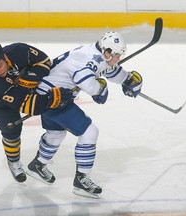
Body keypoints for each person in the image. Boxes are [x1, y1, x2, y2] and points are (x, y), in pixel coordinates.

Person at [26, 32, 143, 198]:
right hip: (54, 100)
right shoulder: (91, 58)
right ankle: (81, 181)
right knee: (89, 132)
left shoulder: (96, 53)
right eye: (117, 55)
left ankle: (38, 164)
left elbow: (107, 69)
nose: (118, 58)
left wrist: (127, 79)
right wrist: (100, 89)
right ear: (107, 52)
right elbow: (85, 81)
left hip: (45, 95)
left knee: (56, 133)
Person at [0, 41, 73, 183]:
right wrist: (51, 99)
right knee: (12, 131)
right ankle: (13, 161)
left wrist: (27, 81)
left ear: (5, 57)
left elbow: (44, 61)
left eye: (0, 66)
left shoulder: (19, 50)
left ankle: (40, 160)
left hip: (22, 89)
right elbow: (28, 106)